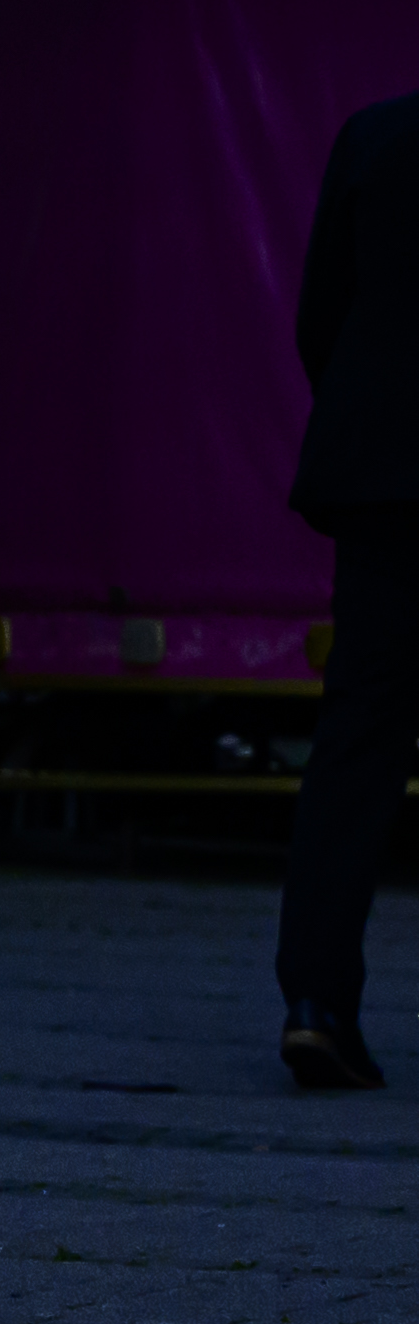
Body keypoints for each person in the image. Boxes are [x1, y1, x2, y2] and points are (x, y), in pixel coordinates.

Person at [281, 83, 419, 1088]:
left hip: (380, 482)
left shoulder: (371, 138)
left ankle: (316, 1002)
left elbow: (316, 314)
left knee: (356, 742)